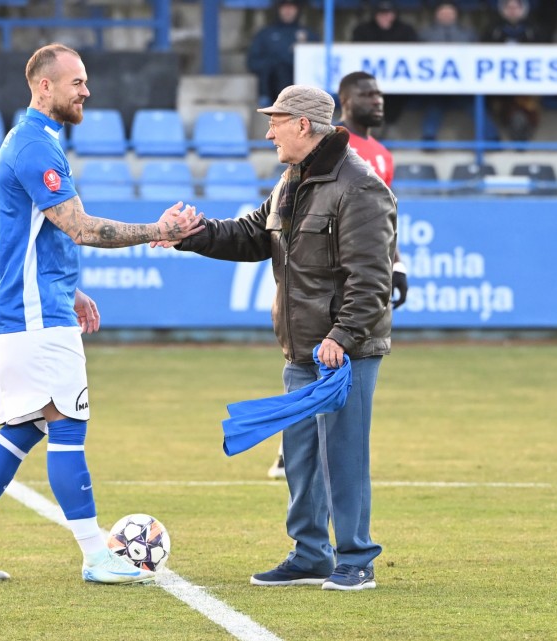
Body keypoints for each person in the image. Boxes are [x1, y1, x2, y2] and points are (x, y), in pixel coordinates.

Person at [0, 43, 203, 585]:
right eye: (77, 82)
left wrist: (69, 286)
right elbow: (79, 227)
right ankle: (95, 554)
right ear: (44, 87)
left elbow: (43, 233)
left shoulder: (38, 141)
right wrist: (159, 231)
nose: (87, 91)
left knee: (22, 428)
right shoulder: (34, 146)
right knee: (67, 423)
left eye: (85, 81)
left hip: (28, 309)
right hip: (34, 317)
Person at [158, 85, 396, 590]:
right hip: (303, 348)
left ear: (304, 125)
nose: (268, 132)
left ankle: (356, 558)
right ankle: (311, 555)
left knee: (344, 455)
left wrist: (343, 336)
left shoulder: (360, 187)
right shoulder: (293, 178)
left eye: (276, 122)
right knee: (302, 458)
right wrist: (192, 236)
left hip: (343, 353)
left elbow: (372, 279)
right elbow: (250, 234)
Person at [267, 71, 407, 481]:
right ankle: (313, 537)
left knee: (339, 446)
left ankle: (348, 542)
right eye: (367, 93)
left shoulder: (376, 158)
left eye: (379, 92)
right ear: (346, 102)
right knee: (312, 438)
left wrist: (396, 264)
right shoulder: (314, 162)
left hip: (342, 330)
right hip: (312, 314)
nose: (377, 99)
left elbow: (378, 230)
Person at [481, 0, 548, 142]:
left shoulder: (533, 29)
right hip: (496, 80)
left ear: (523, 9)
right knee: (483, 102)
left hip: (527, 80)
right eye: (509, 7)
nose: (512, 10)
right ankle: (491, 135)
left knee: (527, 105)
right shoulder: (492, 29)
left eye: (516, 7)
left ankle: (523, 135)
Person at [351, 1, 418, 130]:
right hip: (369, 77)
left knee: (397, 95)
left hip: (398, 79)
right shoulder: (362, 29)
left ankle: (388, 126)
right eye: (381, 14)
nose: (385, 17)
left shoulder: (406, 30)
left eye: (388, 13)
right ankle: (374, 127)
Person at [418, 2, 478, 144]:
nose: (446, 15)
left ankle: (491, 137)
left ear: (456, 14)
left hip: (463, 84)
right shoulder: (425, 34)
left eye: (449, 12)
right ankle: (429, 137)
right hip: (435, 85)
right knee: (435, 105)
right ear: (436, 14)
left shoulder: (468, 33)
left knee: (474, 105)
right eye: (442, 11)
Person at [247, 0, 319, 105]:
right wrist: (274, 63)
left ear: (298, 9)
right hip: (273, 89)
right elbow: (252, 63)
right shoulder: (265, 34)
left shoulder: (309, 34)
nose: (288, 11)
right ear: (278, 9)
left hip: (300, 88)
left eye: (291, 7)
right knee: (279, 68)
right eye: (284, 7)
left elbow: (316, 61)